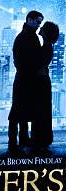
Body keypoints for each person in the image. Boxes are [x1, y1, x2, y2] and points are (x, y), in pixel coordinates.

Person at [8, 10, 44, 154]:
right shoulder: (25, 38)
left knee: (20, 111)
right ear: (29, 19)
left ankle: (21, 139)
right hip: (24, 79)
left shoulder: (26, 37)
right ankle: (13, 142)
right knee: (17, 112)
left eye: (40, 22)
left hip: (25, 79)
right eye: (37, 22)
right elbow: (21, 61)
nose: (38, 25)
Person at [31, 21, 60, 149]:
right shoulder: (47, 46)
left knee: (40, 110)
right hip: (43, 82)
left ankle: (40, 139)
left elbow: (39, 65)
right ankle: (43, 138)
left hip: (41, 82)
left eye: (43, 27)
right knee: (42, 110)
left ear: (46, 32)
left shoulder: (46, 47)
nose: (40, 28)